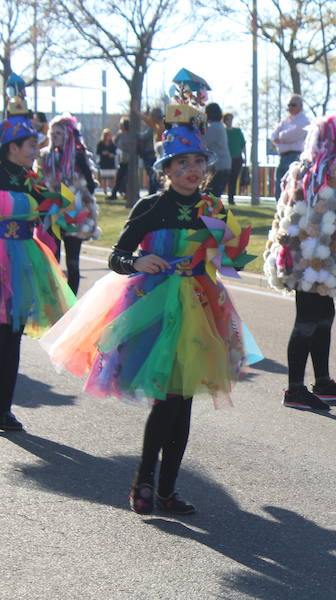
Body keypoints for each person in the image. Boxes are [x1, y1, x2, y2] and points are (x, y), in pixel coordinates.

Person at [43, 77, 259, 515]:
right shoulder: (149, 208)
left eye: (199, 161)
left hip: (200, 304)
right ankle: (145, 482)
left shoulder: (211, 208)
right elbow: (118, 256)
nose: (192, 170)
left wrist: (228, 238)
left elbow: (231, 260)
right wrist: (137, 263)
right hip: (153, 308)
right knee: (168, 402)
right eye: (182, 162)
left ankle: (166, 488)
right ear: (166, 169)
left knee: (182, 404)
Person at [264, 115, 336, 410]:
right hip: (318, 258)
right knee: (309, 321)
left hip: (304, 256)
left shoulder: (303, 168)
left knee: (322, 316)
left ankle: (322, 381)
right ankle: (295, 388)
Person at [0, 87, 76, 432]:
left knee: (11, 337)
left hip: (23, 262)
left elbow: (55, 208)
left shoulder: (32, 180)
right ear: (12, 147)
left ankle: (4, 408)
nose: (36, 150)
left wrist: (59, 203)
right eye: (30, 145)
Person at [38, 113, 100, 294]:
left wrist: (84, 168)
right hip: (51, 213)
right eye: (52, 133)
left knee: (73, 262)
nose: (54, 136)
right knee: (53, 259)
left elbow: (90, 186)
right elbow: (39, 185)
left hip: (74, 214)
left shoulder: (78, 156)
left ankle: (71, 304)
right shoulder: (44, 157)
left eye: (58, 133)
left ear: (68, 135)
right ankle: (56, 300)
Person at [271, 94, 310, 200]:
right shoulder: (286, 120)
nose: (290, 108)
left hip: (295, 156)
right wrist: (282, 137)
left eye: (293, 105)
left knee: (291, 184)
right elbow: (273, 135)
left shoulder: (303, 120)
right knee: (280, 184)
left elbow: (294, 133)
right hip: (283, 157)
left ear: (300, 106)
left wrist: (281, 137)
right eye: (289, 105)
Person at [204, 102, 231, 198]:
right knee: (215, 195)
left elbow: (204, 142)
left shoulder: (213, 127)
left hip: (218, 165)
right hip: (224, 163)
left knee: (211, 195)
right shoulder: (219, 126)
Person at [224, 112, 246, 205]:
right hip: (226, 158)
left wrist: (245, 157)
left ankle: (231, 199)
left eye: (231, 119)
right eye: (227, 119)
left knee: (233, 179)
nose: (229, 121)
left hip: (237, 158)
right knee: (224, 179)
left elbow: (243, 145)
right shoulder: (223, 131)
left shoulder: (237, 131)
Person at [109, 117, 132, 201]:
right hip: (122, 159)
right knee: (119, 177)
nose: (120, 126)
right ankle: (114, 194)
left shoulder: (130, 134)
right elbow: (114, 141)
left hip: (130, 159)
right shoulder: (120, 134)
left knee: (127, 178)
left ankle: (127, 194)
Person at [96, 128, 117, 195]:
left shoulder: (112, 144)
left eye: (110, 135)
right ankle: (105, 190)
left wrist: (111, 154)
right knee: (104, 178)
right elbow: (98, 152)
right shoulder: (101, 143)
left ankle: (113, 191)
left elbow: (115, 152)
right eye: (108, 135)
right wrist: (103, 153)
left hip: (111, 162)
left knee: (112, 178)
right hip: (103, 162)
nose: (109, 136)